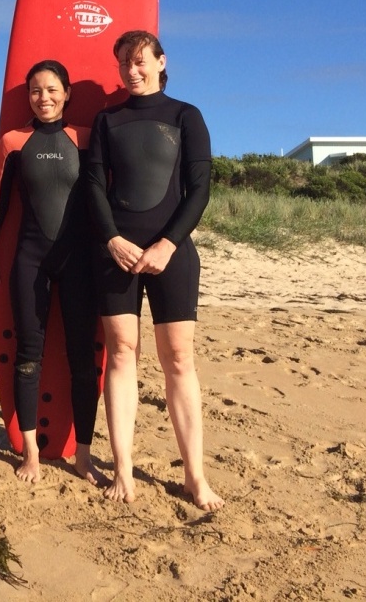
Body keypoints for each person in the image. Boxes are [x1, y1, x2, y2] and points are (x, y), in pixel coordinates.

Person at [86, 30, 223, 511]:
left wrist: (167, 243)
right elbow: (93, 187)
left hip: (173, 254)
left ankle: (195, 476)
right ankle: (123, 468)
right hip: (117, 252)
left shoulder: (187, 116)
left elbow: (199, 189)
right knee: (122, 353)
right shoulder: (108, 120)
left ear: (161, 62)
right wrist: (112, 239)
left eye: (140, 61)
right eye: (124, 63)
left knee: (179, 360)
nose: (131, 70)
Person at [0, 60, 103, 485]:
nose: (43, 97)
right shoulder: (14, 141)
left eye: (52, 89)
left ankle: (83, 455)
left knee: (83, 360)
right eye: (35, 90)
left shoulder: (85, 138)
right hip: (28, 260)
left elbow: (104, 200)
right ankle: (30, 452)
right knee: (28, 356)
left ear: (67, 93)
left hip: (79, 263)